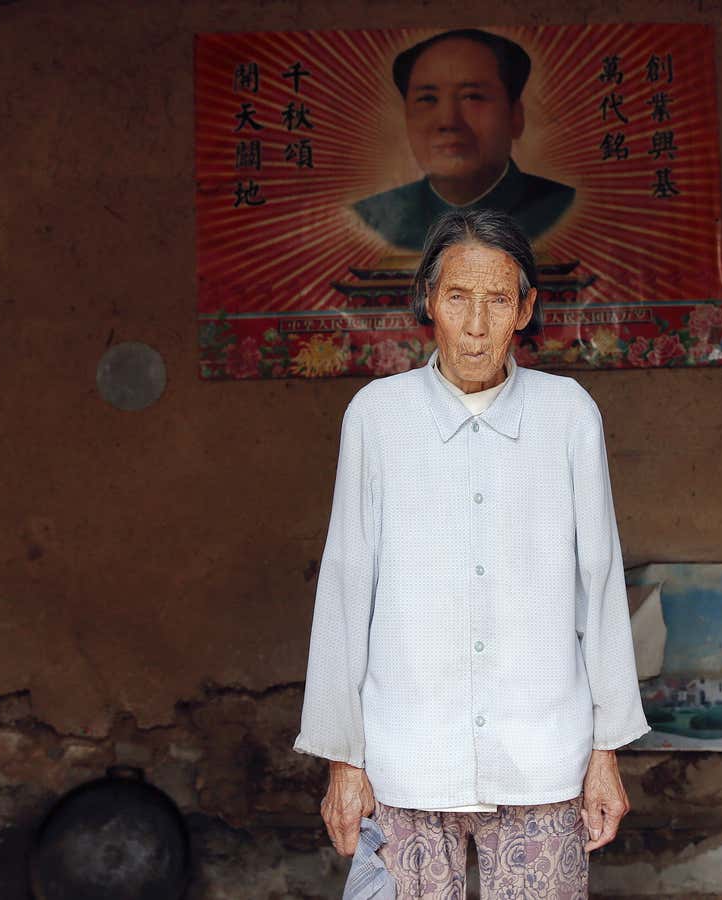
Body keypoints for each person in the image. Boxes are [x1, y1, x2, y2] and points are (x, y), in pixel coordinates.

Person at [295, 209, 646, 898]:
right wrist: (343, 759)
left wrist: (605, 754)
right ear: (429, 301)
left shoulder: (567, 414)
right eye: (458, 298)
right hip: (405, 762)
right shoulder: (378, 416)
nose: (477, 325)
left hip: (544, 760)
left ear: (526, 309)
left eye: (498, 299)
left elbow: (598, 585)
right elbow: (345, 586)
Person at [352, 29, 576, 252]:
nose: (448, 121)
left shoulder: (564, 208)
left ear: (515, 116)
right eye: (427, 99)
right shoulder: (370, 217)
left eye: (472, 96)